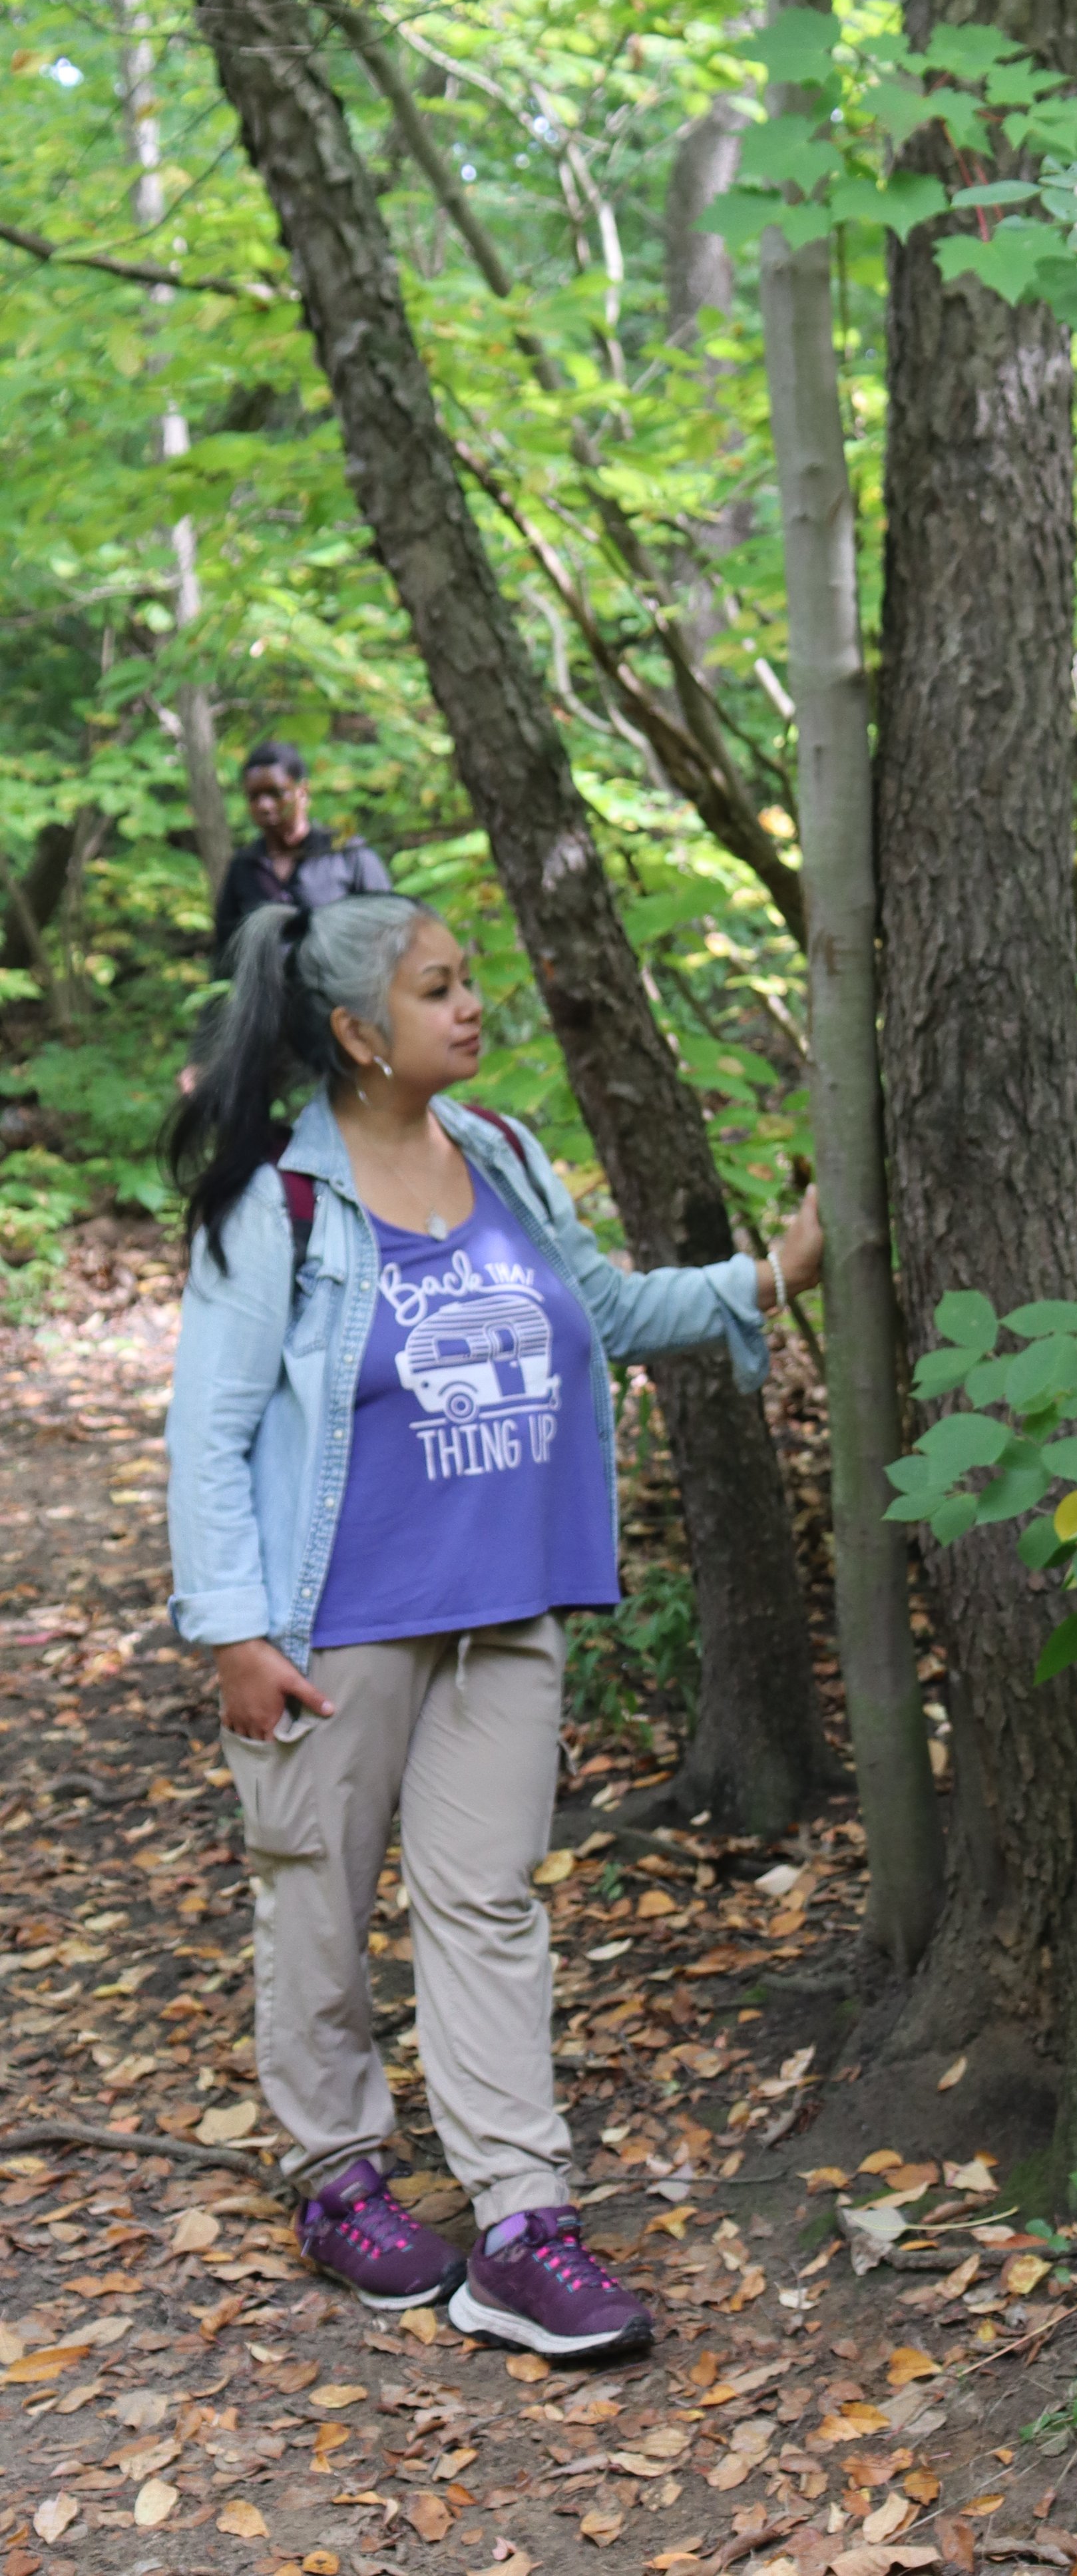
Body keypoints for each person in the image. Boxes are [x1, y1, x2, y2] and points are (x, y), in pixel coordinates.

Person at [164, 893, 821, 2358]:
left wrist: (778, 1270)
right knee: (317, 1904)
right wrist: (231, 1632)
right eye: (437, 989)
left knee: (488, 1905)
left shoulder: (506, 1157)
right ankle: (337, 2177)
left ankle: (520, 2221)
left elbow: (600, 1310)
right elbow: (206, 1432)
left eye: (467, 982)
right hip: (331, 1624)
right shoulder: (274, 1202)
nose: (470, 1008)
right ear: (352, 1030)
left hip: (505, 1607)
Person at [212, 741, 391, 974]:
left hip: (341, 998)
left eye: (276, 793)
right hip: (270, 1006)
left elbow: (389, 929)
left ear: (302, 792)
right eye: (254, 797)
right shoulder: (244, 866)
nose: (264, 806)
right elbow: (226, 951)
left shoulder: (345, 853)